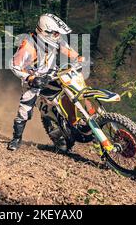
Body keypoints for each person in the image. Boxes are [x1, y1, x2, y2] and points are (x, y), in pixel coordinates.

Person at [7, 13, 83, 151]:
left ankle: (73, 124)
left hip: (51, 74)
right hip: (33, 80)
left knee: (70, 90)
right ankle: (16, 138)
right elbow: (13, 65)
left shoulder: (56, 40)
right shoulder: (28, 45)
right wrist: (30, 78)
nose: (57, 36)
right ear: (45, 31)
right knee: (25, 108)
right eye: (55, 33)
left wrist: (80, 59)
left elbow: (68, 50)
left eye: (58, 33)